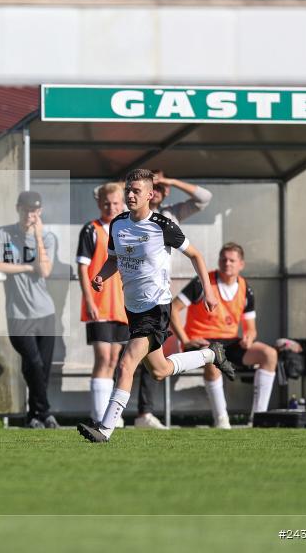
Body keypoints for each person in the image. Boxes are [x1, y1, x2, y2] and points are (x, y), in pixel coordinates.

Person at [77, 169, 235, 443]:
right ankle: (211, 355)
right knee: (159, 370)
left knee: (126, 364)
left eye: (136, 191)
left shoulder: (163, 225)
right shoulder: (118, 225)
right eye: (128, 190)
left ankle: (105, 429)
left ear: (150, 195)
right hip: (133, 310)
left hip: (156, 308)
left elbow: (196, 255)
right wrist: (101, 275)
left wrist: (208, 292)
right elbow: (114, 259)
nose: (130, 195)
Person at [133, 170, 215, 429]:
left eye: (159, 187)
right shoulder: (127, 216)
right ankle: (210, 355)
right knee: (155, 365)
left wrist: (171, 182)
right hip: (132, 294)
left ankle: (124, 419)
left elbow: (204, 198)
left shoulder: (169, 217)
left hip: (157, 296)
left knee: (132, 357)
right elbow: (101, 193)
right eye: (150, 186)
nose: (155, 190)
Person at [170, 242, 277, 428]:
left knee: (270, 354)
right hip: (201, 341)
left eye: (232, 260)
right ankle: (222, 420)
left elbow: (251, 328)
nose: (227, 263)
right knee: (212, 357)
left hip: (230, 342)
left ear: (241, 264)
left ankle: (259, 419)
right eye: (223, 259)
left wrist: (249, 337)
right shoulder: (202, 283)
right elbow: (172, 309)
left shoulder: (246, 288)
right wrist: (186, 340)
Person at [0, 191, 59, 429]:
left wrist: (37, 238)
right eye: (27, 210)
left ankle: (35, 416)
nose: (31, 215)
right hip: (18, 315)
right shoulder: (4, 233)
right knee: (34, 363)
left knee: (40, 369)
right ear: (18, 208)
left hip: (45, 313)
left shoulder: (47, 237)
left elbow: (46, 271)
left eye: (36, 211)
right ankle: (46, 413)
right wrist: (27, 268)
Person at [76, 182, 128, 424]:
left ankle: (109, 416)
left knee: (115, 360)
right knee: (103, 357)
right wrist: (89, 300)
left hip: (122, 307)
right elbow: (83, 267)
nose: (112, 207)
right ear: (99, 204)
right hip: (99, 304)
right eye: (107, 203)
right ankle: (99, 416)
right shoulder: (91, 229)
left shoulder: (128, 228)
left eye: (116, 203)